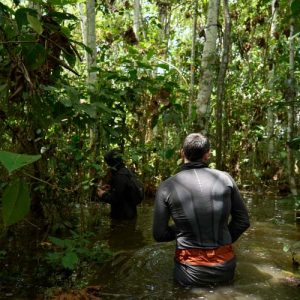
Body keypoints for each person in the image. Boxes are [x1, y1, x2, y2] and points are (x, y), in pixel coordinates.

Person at [152, 133, 250, 287]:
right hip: (225, 267)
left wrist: (182, 228)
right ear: (207, 155)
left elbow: (159, 234)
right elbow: (243, 221)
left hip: (189, 271)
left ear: (182, 153)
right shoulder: (226, 179)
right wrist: (221, 239)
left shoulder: (167, 186)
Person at [97, 149, 138, 220]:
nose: (108, 165)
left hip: (123, 216)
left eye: (108, 163)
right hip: (130, 213)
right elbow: (124, 191)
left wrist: (103, 195)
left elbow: (116, 199)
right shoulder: (126, 171)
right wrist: (110, 188)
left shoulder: (120, 176)